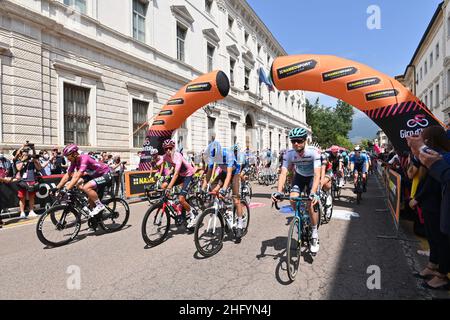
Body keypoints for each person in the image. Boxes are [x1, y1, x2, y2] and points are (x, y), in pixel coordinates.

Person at [271, 128, 322, 254]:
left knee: (311, 204)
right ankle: (300, 217)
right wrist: (279, 191)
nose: (296, 144)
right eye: (293, 141)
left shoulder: (314, 152)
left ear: (305, 140)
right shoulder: (289, 154)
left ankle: (314, 233)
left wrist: (313, 193)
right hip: (299, 177)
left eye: (299, 141)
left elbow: (317, 175)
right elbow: (283, 173)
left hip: (311, 178)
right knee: (293, 199)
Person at [56, 144, 112, 219]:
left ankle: (100, 205)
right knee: (89, 200)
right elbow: (68, 175)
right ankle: (95, 221)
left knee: (86, 187)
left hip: (105, 174)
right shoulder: (74, 162)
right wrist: (57, 188)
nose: (67, 158)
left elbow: (77, 175)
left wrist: (66, 189)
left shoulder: (84, 158)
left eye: (68, 156)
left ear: (74, 154)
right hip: (94, 176)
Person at [210, 144, 245, 242]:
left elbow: (229, 174)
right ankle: (226, 210)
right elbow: (213, 170)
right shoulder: (214, 156)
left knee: (236, 199)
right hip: (224, 172)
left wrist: (223, 189)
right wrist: (210, 183)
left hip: (234, 173)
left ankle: (240, 225)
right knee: (214, 188)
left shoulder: (228, 154)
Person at [160, 139, 198, 229]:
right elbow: (159, 162)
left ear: (173, 148)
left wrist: (169, 188)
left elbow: (176, 174)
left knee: (181, 198)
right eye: (166, 149)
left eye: (170, 148)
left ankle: (193, 213)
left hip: (188, 175)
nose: (168, 150)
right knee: (163, 186)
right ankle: (172, 204)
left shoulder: (177, 156)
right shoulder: (165, 156)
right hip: (181, 175)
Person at [15, 144, 42, 219]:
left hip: (32, 180)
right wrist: (24, 160)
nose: (26, 154)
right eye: (24, 152)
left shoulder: (32, 161)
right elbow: (19, 168)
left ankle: (31, 211)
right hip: (22, 181)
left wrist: (35, 160)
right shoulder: (19, 161)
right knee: (22, 197)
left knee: (31, 197)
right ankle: (22, 212)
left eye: (27, 152)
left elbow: (39, 168)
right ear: (21, 154)